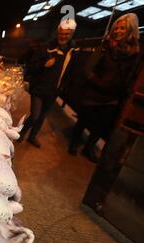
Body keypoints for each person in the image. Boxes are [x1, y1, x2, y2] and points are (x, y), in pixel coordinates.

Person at [68, 13, 141, 163]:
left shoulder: (134, 53)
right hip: (94, 93)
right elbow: (88, 69)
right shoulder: (104, 47)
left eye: (123, 28)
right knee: (83, 121)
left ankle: (88, 148)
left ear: (130, 30)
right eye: (117, 27)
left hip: (113, 97)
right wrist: (98, 83)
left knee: (100, 126)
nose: (118, 31)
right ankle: (74, 144)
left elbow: (131, 75)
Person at [18, 19, 79, 148]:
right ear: (58, 33)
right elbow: (30, 66)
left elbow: (71, 72)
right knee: (35, 115)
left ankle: (32, 137)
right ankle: (20, 133)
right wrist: (43, 65)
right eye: (61, 33)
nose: (63, 36)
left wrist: (64, 87)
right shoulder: (46, 48)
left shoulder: (73, 52)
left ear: (72, 34)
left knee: (42, 116)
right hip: (39, 89)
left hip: (53, 91)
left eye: (66, 34)